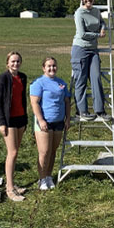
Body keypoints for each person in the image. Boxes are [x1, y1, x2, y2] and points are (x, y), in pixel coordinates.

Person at [30, 57, 71, 191]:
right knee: (44, 152)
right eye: (49, 66)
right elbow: (34, 103)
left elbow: (66, 101)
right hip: (44, 122)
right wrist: (41, 120)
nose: (52, 68)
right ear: (43, 68)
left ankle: (49, 176)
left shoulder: (61, 83)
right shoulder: (39, 83)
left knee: (53, 151)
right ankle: (41, 179)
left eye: (54, 66)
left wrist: (68, 118)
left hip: (58, 121)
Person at [71, 0, 111, 122]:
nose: (88, 0)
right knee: (81, 80)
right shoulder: (79, 13)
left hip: (93, 50)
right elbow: (82, 34)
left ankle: (100, 110)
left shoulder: (96, 11)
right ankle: (82, 110)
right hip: (80, 49)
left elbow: (102, 22)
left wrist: (103, 28)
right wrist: (98, 35)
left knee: (96, 78)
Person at [0, 51, 28, 202]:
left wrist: (26, 119)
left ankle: (12, 184)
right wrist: (1, 122)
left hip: (21, 119)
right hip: (9, 120)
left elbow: (22, 100)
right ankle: (9, 189)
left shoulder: (22, 77)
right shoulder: (3, 78)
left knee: (16, 152)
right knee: (12, 153)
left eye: (18, 61)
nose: (15, 64)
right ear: (7, 63)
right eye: (13, 61)